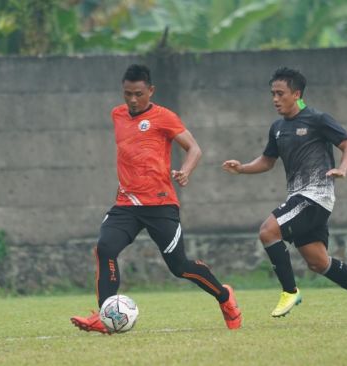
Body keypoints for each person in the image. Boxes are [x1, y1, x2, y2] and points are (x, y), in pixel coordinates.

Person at [71, 64, 242, 333]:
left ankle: (224, 296)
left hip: (161, 205)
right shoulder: (117, 114)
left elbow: (194, 148)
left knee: (179, 266)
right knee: (105, 248)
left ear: (151, 90)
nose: (132, 100)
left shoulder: (164, 117)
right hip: (127, 204)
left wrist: (185, 171)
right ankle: (104, 316)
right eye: (127, 93)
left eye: (138, 94)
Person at [221, 67, 347, 321]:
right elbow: (267, 161)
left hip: (315, 196)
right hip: (300, 197)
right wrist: (242, 168)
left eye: (280, 93)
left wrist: (343, 168)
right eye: (272, 94)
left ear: (296, 94)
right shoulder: (277, 127)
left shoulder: (317, 119)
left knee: (268, 230)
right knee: (319, 262)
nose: (275, 99)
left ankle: (290, 291)